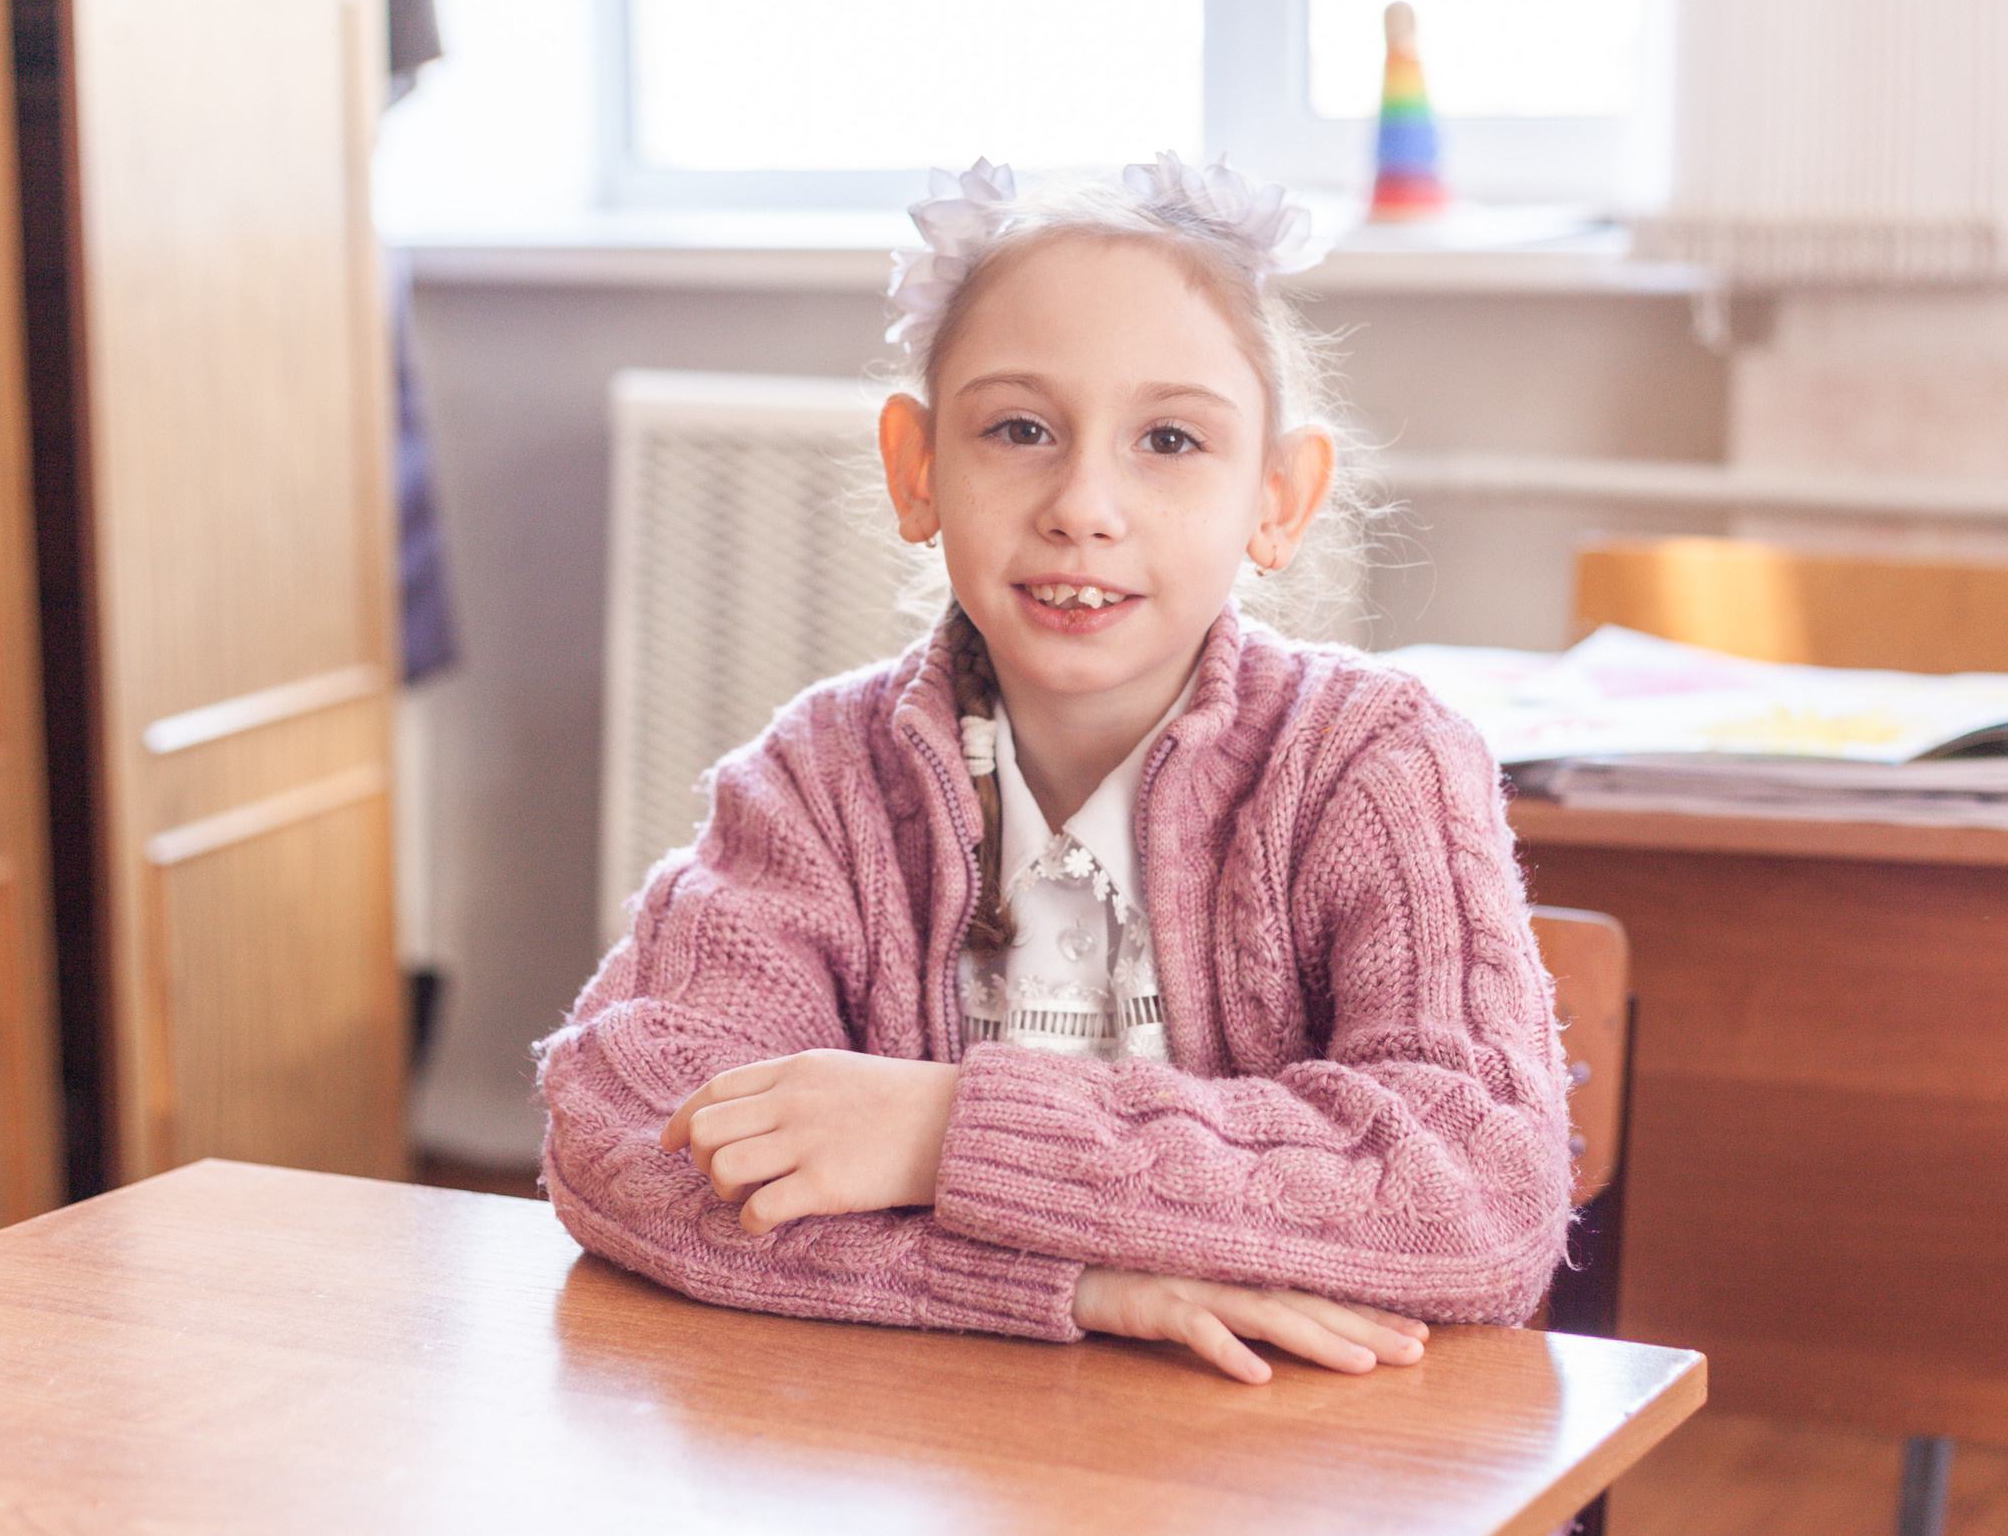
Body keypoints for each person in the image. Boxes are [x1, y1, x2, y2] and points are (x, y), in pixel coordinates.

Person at [536, 155, 1574, 1384]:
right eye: (1019, 429)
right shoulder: (815, 781)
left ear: (1278, 497)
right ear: (918, 469)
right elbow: (622, 1136)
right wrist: (1077, 1286)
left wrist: (942, 1132)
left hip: (1294, 1465)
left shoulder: (1372, 764)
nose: (1084, 503)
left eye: (1170, 439)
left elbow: (1479, 1196)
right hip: (921, 1448)